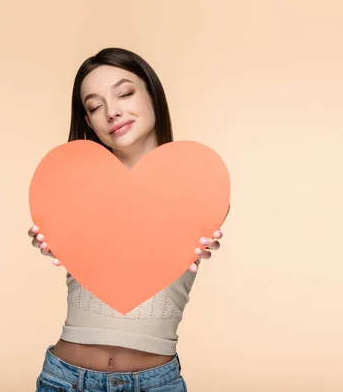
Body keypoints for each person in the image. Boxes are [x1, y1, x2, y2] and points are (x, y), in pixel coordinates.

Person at [28, 47, 225, 392]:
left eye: (124, 93)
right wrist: (53, 239)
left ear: (152, 92)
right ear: (88, 121)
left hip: (155, 383)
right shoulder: (72, 188)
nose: (113, 112)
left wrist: (201, 240)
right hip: (65, 378)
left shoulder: (199, 183)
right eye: (95, 106)